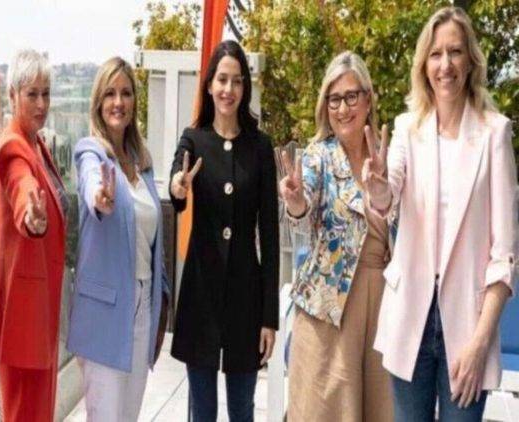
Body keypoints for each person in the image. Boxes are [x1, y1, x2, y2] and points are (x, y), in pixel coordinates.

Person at [366, 7, 517, 421]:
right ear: (424, 64)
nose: (445, 64)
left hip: (468, 331)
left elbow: (503, 256)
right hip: (408, 322)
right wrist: (377, 187)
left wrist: (480, 342)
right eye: (435, 54)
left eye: (454, 52)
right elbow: (387, 193)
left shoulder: (495, 133)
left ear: (470, 61)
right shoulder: (406, 128)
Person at [168, 40, 279, 422]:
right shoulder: (193, 140)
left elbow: (270, 232)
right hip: (201, 298)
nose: (228, 89)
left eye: (236, 81)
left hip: (246, 301)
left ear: (245, 87)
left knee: (243, 411)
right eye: (221, 79)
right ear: (209, 85)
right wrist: (178, 187)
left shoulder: (261, 147)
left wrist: (269, 317)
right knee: (202, 412)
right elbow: (176, 181)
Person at [279, 51, 393, 421]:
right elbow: (302, 208)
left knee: (382, 410)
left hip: (385, 308)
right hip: (329, 314)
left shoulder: (390, 155)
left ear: (368, 98)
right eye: (334, 99)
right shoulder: (317, 157)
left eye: (351, 96)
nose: (343, 108)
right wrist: (296, 201)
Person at [67, 56, 170, 421]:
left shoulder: (142, 162)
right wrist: (100, 197)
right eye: (110, 93)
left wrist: (163, 297)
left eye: (126, 93)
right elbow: (93, 181)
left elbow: (153, 240)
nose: (118, 102)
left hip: (142, 307)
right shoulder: (89, 151)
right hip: (105, 313)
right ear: (98, 102)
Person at [0, 49, 69, 422]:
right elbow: (21, 185)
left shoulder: (39, 144)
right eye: (31, 94)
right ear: (12, 96)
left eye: (46, 93)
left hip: (41, 317)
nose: (41, 103)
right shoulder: (13, 146)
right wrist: (31, 216)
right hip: (22, 322)